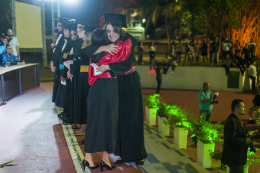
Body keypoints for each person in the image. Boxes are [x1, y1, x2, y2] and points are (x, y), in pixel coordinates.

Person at [85, 12, 147, 167]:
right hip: (112, 84)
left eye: (114, 31)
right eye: (108, 31)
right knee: (116, 119)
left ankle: (136, 153)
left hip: (128, 82)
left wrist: (109, 66)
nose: (111, 34)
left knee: (131, 119)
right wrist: (104, 47)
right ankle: (120, 152)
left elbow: (127, 64)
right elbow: (88, 50)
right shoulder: (107, 41)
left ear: (121, 30)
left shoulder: (128, 43)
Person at [222, 99, 253, 173]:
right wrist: (245, 141)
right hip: (234, 158)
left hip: (236, 158)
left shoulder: (236, 119)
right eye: (243, 107)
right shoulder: (232, 121)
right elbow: (230, 139)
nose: (245, 108)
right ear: (236, 108)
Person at [50, 18, 66, 116]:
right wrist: (53, 62)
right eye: (58, 25)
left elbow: (59, 53)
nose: (58, 27)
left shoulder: (64, 39)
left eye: (60, 25)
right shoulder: (60, 37)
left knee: (63, 87)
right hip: (59, 65)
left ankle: (65, 110)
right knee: (60, 86)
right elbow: (56, 53)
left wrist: (56, 64)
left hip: (62, 66)